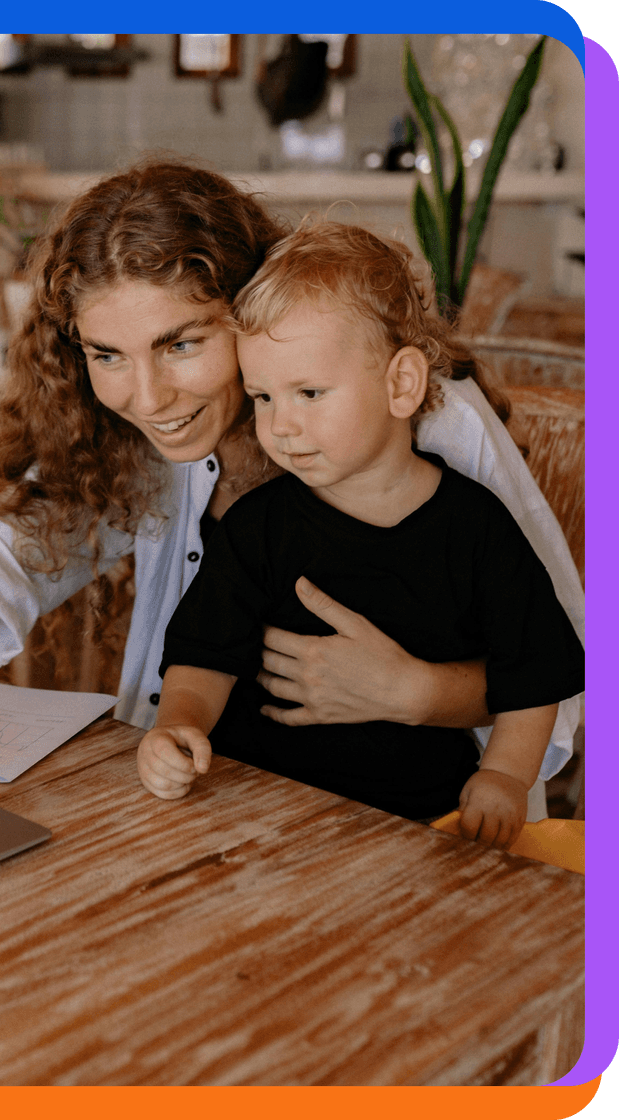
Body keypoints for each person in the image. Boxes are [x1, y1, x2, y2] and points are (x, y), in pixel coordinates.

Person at [0, 161, 583, 823]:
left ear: (249, 309)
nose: (148, 398)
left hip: (416, 827)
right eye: (107, 355)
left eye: (182, 343)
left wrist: (419, 694)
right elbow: (3, 542)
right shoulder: (144, 436)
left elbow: (567, 687)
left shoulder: (426, 420)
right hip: (213, 804)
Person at [137, 221, 584, 847]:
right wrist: (177, 726)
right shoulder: (256, 527)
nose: (280, 426)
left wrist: (505, 776)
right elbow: (202, 657)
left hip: (419, 820)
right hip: (255, 808)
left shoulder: (477, 527)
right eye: (263, 397)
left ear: (401, 384)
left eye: (309, 392)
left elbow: (534, 672)